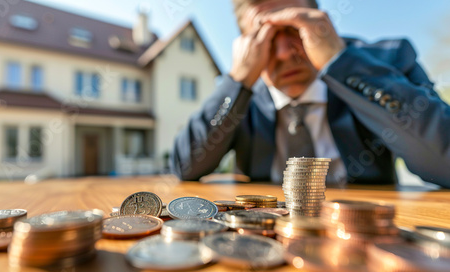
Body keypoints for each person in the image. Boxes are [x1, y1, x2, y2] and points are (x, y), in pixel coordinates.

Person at [170, 0, 450, 188]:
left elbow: (444, 160)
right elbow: (186, 166)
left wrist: (340, 62)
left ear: (323, 24)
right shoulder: (241, 97)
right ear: (246, 47)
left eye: (293, 29)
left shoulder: (390, 61)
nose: (283, 54)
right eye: (263, 37)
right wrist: (238, 80)